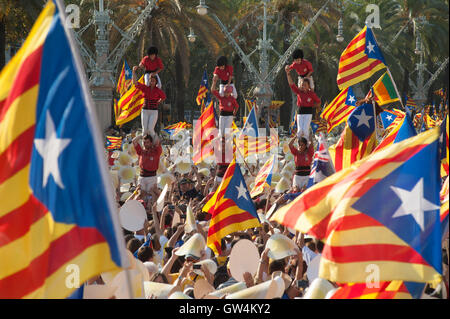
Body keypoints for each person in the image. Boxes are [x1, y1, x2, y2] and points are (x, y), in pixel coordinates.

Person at [285, 65, 320, 139]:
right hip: (300, 111)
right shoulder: (299, 92)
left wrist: (312, 106)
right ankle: (299, 146)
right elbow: (291, 84)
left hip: (308, 112)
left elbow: (318, 102)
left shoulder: (311, 94)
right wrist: (288, 74)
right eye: (302, 85)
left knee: (305, 130)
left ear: (308, 86)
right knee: (300, 131)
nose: (303, 86)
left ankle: (307, 146)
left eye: (305, 85)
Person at [132, 66, 166, 139]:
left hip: (154, 111)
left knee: (150, 129)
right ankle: (144, 147)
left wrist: (158, 102)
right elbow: (135, 82)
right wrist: (133, 72)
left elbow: (163, 97)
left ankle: (156, 142)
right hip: (145, 110)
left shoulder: (158, 90)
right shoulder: (145, 88)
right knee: (144, 131)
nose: (152, 82)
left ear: (156, 82)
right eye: (151, 81)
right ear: (149, 81)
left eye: (153, 81)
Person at [132, 134, 162, 205]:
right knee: (140, 194)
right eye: (144, 142)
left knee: (152, 195)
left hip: (152, 177)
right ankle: (136, 208)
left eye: (147, 142)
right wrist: (142, 134)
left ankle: (152, 212)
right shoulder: (141, 151)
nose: (145, 144)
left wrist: (151, 132)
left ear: (151, 143)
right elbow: (134, 141)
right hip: (142, 177)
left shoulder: (156, 151)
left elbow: (157, 141)